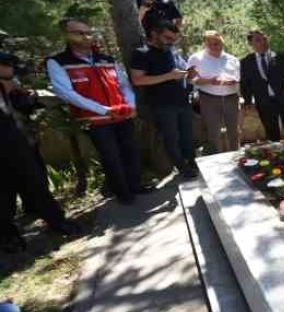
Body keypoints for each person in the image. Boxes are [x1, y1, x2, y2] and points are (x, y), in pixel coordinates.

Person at [46, 18, 149, 204]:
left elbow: (124, 84)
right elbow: (66, 93)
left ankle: (135, 186)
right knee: (111, 157)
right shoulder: (58, 62)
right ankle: (122, 193)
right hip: (95, 120)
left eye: (88, 32)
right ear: (67, 35)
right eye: (78, 32)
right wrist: (102, 110)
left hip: (122, 114)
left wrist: (131, 105)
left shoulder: (107, 60)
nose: (85, 36)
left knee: (131, 151)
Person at [1, 53, 77, 253]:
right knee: (6, 192)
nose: (12, 70)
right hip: (9, 143)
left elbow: (24, 106)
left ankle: (56, 221)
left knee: (35, 183)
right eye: (9, 66)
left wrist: (23, 94)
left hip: (17, 141)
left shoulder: (11, 85)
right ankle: (9, 237)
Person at [130, 20, 198, 179]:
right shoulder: (142, 53)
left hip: (182, 101)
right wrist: (170, 76)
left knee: (188, 136)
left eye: (174, 39)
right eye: (168, 38)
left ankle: (192, 162)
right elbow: (138, 80)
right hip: (162, 105)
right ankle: (182, 167)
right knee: (171, 137)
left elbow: (180, 74)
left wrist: (189, 77)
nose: (171, 42)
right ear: (154, 34)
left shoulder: (172, 52)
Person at [240, 30, 284, 142]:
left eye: (265, 39)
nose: (263, 42)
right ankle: (277, 158)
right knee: (271, 133)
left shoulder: (281, 57)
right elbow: (245, 83)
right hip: (264, 102)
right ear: (251, 44)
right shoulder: (246, 62)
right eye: (258, 40)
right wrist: (247, 101)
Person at [188, 31, 240, 153]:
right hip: (209, 98)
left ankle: (236, 157)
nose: (215, 46)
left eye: (218, 43)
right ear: (205, 44)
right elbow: (191, 79)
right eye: (211, 44)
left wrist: (233, 82)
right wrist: (209, 81)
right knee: (213, 132)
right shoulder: (196, 58)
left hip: (231, 97)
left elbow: (239, 79)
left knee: (234, 131)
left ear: (222, 42)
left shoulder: (233, 59)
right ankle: (215, 160)